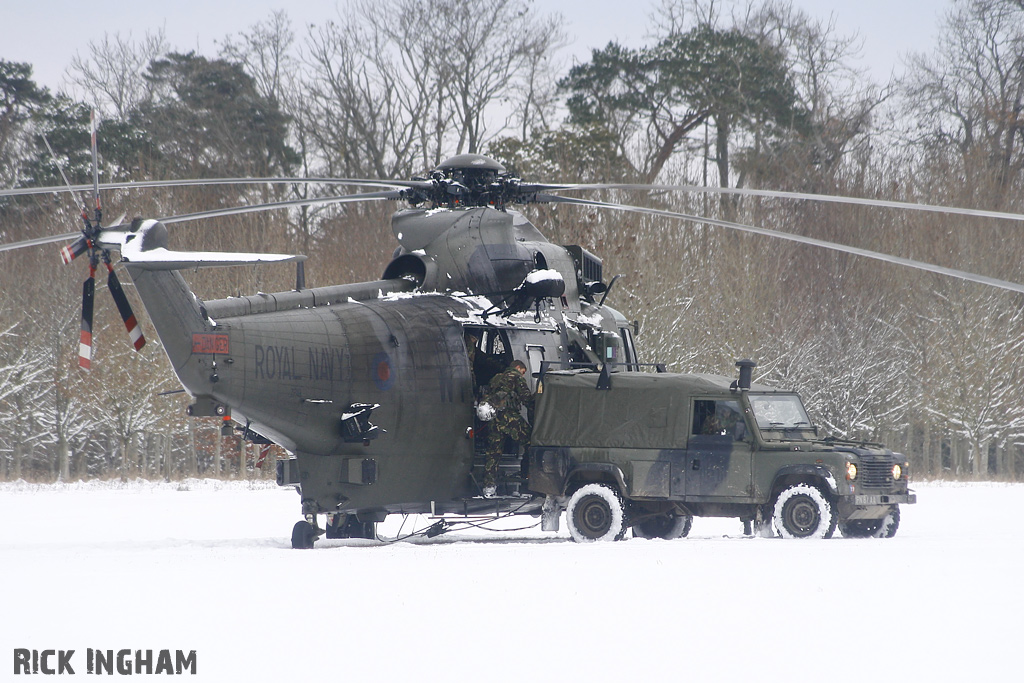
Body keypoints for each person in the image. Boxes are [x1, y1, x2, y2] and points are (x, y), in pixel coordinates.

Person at [482, 360, 534, 497]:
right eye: (523, 372)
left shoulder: (496, 378)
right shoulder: (515, 376)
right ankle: (528, 480)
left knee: (493, 453)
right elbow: (527, 399)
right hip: (509, 417)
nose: (522, 375)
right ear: (518, 368)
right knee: (531, 442)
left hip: (493, 418)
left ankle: (489, 486)